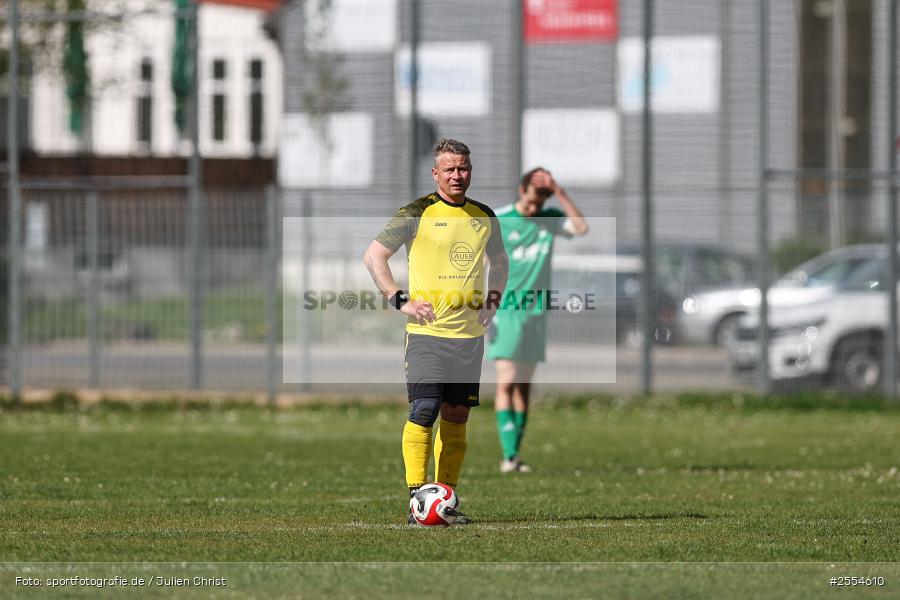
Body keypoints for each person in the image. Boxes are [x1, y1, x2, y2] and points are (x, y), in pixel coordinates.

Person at [363, 138, 508, 525]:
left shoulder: (484, 216)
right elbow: (374, 256)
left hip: (469, 338)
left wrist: (492, 301)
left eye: (463, 168)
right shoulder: (416, 212)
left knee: (457, 416)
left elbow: (500, 262)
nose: (457, 175)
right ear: (435, 173)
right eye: (450, 169)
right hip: (427, 335)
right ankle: (417, 500)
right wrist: (400, 301)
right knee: (424, 410)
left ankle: (446, 501)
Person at [487, 168, 588, 473]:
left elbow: (581, 228)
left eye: (539, 205)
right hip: (505, 308)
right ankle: (507, 456)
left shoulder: (550, 218)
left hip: (535, 310)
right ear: (521, 191)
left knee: (523, 386)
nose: (533, 210)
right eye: (530, 203)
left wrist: (560, 192)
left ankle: (514, 455)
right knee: (506, 380)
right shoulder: (500, 218)